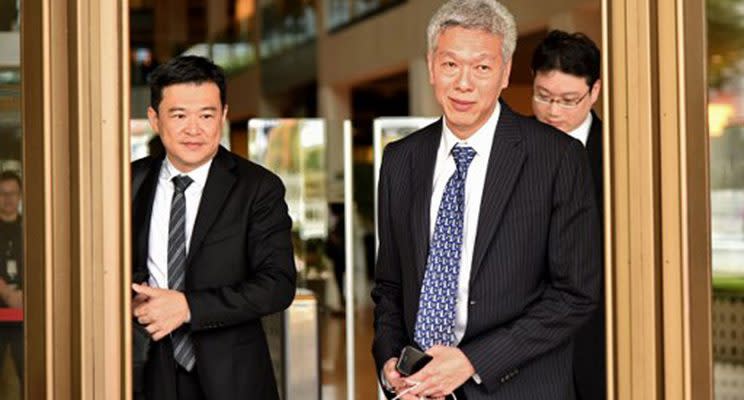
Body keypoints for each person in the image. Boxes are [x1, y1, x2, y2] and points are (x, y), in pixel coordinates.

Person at [371, 1, 602, 399]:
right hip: (418, 390)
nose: (464, 83)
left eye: (481, 67)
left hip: (519, 388)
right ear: (431, 66)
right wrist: (389, 358)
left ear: (505, 72)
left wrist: (473, 360)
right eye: (450, 65)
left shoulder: (557, 157)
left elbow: (574, 294)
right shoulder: (400, 160)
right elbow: (391, 285)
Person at [131, 55, 296, 400]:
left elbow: (277, 284)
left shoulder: (258, 188)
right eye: (179, 116)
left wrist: (188, 307)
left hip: (233, 378)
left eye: (206, 115)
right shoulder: (128, 182)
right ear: (155, 120)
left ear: (222, 115)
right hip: (146, 372)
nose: (194, 129)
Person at [530, 30, 605, 400]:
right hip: (524, 348)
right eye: (543, 96)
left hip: (598, 341)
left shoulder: (618, 157)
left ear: (595, 92)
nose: (553, 111)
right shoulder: (512, 149)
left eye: (568, 100)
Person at [0, 171, 23, 385]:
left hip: (25, 313)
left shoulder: (31, 227)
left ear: (20, 195)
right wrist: (6, 292)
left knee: (27, 372)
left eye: (12, 193)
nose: (8, 199)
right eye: (2, 193)